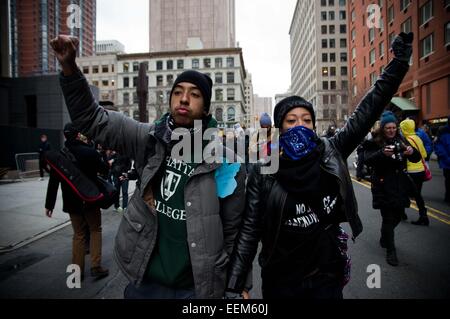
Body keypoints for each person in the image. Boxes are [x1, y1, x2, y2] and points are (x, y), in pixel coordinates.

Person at [50, 35, 247, 299]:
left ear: (206, 108)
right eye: (178, 92)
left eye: (194, 94)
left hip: (197, 288)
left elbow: (234, 230)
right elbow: (92, 119)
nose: (184, 99)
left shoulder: (227, 161)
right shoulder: (148, 138)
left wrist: (237, 285)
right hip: (146, 281)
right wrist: (70, 69)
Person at [226, 33, 413, 299]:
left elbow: (369, 109)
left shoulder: (331, 151)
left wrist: (398, 64)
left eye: (306, 120)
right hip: (281, 280)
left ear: (314, 126)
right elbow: (250, 228)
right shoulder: (263, 171)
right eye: (291, 121)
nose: (300, 125)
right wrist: (238, 281)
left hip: (326, 276)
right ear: (280, 128)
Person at [45, 123, 110, 279]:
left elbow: (53, 182)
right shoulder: (90, 152)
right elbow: (105, 170)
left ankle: (77, 271)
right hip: (90, 199)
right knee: (95, 230)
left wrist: (49, 205)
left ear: (65, 136)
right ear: (79, 134)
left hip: (71, 202)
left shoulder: (60, 156)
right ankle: (95, 266)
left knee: (78, 235)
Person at [364, 112, 421, 266]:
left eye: (393, 127)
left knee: (396, 217)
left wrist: (412, 152)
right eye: (388, 128)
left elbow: (416, 157)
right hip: (382, 185)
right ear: (383, 129)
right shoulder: (375, 142)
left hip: (399, 185)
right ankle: (391, 251)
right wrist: (382, 154)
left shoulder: (400, 139)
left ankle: (384, 236)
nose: (391, 130)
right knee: (388, 218)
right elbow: (367, 160)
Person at [400, 118, 429, 226]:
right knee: (417, 195)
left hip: (410, 171)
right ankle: (423, 215)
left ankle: (402, 214)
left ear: (404, 128)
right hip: (420, 170)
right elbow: (424, 155)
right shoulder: (418, 138)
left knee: (403, 192)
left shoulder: (406, 140)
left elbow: (403, 157)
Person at [434, 117, 450, 203]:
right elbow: (438, 145)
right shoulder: (442, 131)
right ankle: (448, 197)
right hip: (447, 162)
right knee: (448, 180)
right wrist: (446, 158)